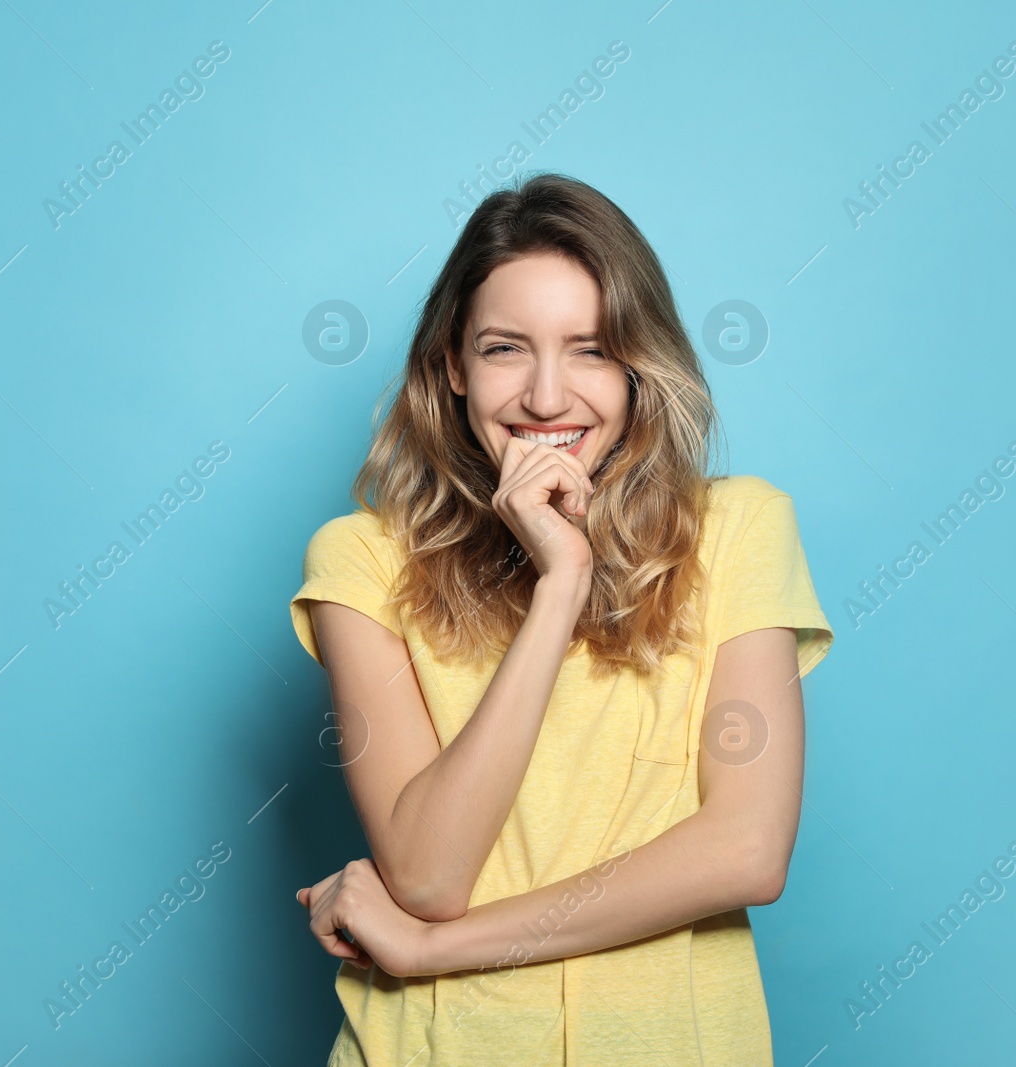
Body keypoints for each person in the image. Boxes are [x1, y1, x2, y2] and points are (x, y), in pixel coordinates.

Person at [288, 172, 833, 1066]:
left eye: (589, 348)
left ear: (635, 368)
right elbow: (427, 873)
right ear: (453, 368)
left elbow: (747, 850)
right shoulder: (361, 561)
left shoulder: (739, 530)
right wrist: (560, 585)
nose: (547, 398)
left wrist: (431, 949)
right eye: (505, 348)